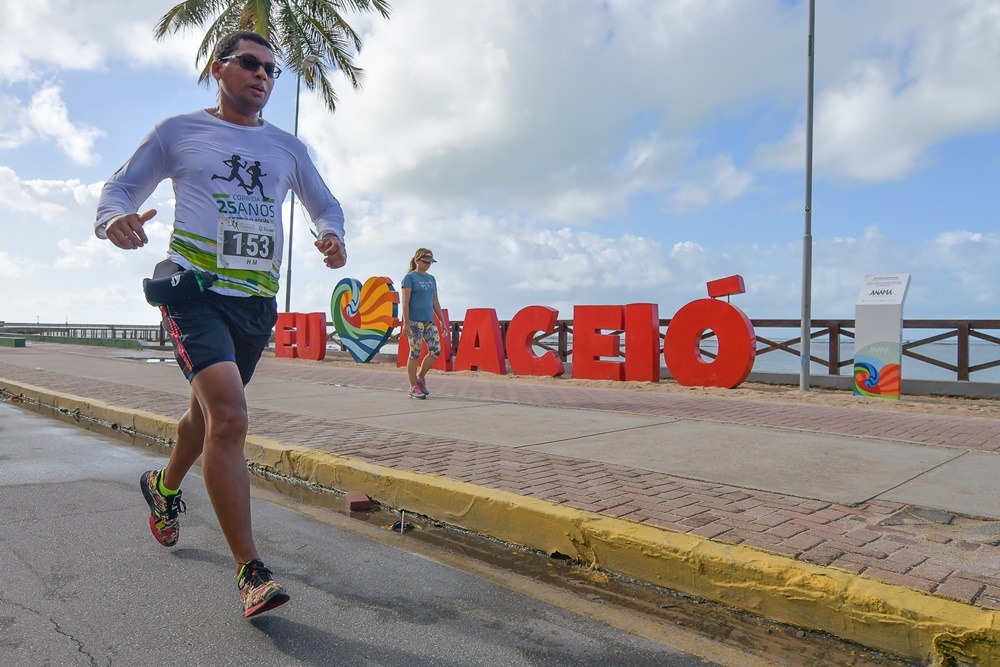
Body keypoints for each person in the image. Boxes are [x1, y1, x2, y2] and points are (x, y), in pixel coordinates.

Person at [94, 30, 347, 618]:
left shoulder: (287, 149)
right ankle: (250, 571)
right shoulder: (178, 131)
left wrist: (331, 235)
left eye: (271, 70)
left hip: (254, 302)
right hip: (194, 291)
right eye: (250, 64)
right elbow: (120, 188)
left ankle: (162, 488)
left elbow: (324, 204)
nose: (261, 75)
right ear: (219, 68)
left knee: (204, 415)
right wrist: (114, 218)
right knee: (229, 416)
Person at [401, 248, 445, 399]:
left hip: (429, 321)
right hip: (414, 321)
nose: (428, 265)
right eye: (425, 261)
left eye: (430, 262)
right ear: (417, 260)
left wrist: (442, 321)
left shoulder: (431, 279)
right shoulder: (410, 278)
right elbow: (405, 302)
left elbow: (435, 302)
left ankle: (420, 378)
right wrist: (406, 323)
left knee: (435, 350)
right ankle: (413, 387)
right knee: (415, 353)